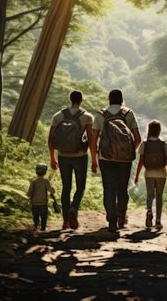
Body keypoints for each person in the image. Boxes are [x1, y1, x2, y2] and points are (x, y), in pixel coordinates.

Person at [90, 89, 141, 232]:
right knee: (122, 188)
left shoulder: (101, 115)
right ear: (121, 99)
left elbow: (93, 140)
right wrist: (128, 151)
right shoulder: (128, 113)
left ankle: (111, 220)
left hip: (105, 158)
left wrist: (94, 159)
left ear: (109, 99)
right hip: (124, 160)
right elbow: (138, 139)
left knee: (109, 189)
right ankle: (121, 217)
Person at [48, 90, 93, 230]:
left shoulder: (58, 116)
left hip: (63, 156)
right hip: (80, 156)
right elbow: (91, 140)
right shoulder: (87, 117)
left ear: (70, 99)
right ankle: (74, 207)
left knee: (66, 187)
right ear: (81, 100)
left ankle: (65, 222)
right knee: (80, 187)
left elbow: (50, 139)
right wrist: (95, 159)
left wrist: (52, 158)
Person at [134, 120, 167, 229]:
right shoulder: (163, 144)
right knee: (159, 197)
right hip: (161, 174)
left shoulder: (144, 144)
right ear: (159, 131)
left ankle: (149, 211)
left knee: (150, 195)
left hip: (148, 174)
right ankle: (158, 221)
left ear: (149, 130)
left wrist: (137, 175)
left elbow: (141, 162)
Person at [28, 163, 55, 232]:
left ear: (36, 171)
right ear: (45, 172)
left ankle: (36, 226)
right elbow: (51, 190)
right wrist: (53, 190)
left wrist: (30, 198)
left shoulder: (33, 181)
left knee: (35, 216)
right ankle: (43, 229)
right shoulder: (46, 181)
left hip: (34, 203)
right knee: (44, 217)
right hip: (43, 203)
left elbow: (29, 192)